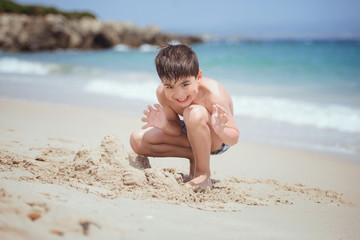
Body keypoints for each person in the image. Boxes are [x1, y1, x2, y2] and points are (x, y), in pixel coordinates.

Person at [130, 44, 239, 189]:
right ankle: (195, 154)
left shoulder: (213, 95)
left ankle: (202, 174)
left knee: (193, 113)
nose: (179, 94)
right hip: (190, 132)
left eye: (185, 84)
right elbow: (176, 131)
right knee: (137, 140)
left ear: (198, 77)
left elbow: (233, 138)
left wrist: (221, 130)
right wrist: (164, 125)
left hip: (217, 139)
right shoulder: (162, 94)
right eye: (169, 86)